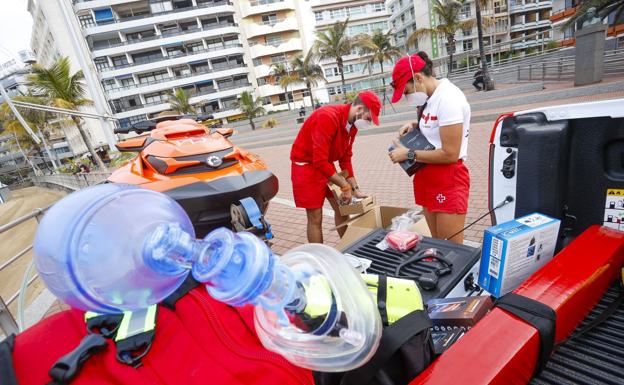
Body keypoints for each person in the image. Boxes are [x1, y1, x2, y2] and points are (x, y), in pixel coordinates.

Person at [388, 52, 471, 244]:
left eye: (407, 92)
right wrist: (415, 125)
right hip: (427, 175)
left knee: (452, 248)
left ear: (418, 77)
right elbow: (436, 128)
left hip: (447, 177)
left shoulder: (448, 98)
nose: (407, 97)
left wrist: (407, 154)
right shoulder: (429, 97)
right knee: (437, 242)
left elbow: (450, 154)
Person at [290, 91, 381, 243]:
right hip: (306, 166)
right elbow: (318, 161)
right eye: (368, 118)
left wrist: (355, 189)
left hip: (326, 164)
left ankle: (347, 246)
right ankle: (319, 258)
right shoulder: (327, 117)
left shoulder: (352, 125)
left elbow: (345, 159)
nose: (369, 123)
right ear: (359, 109)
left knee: (342, 209)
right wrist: (345, 186)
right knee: (315, 217)